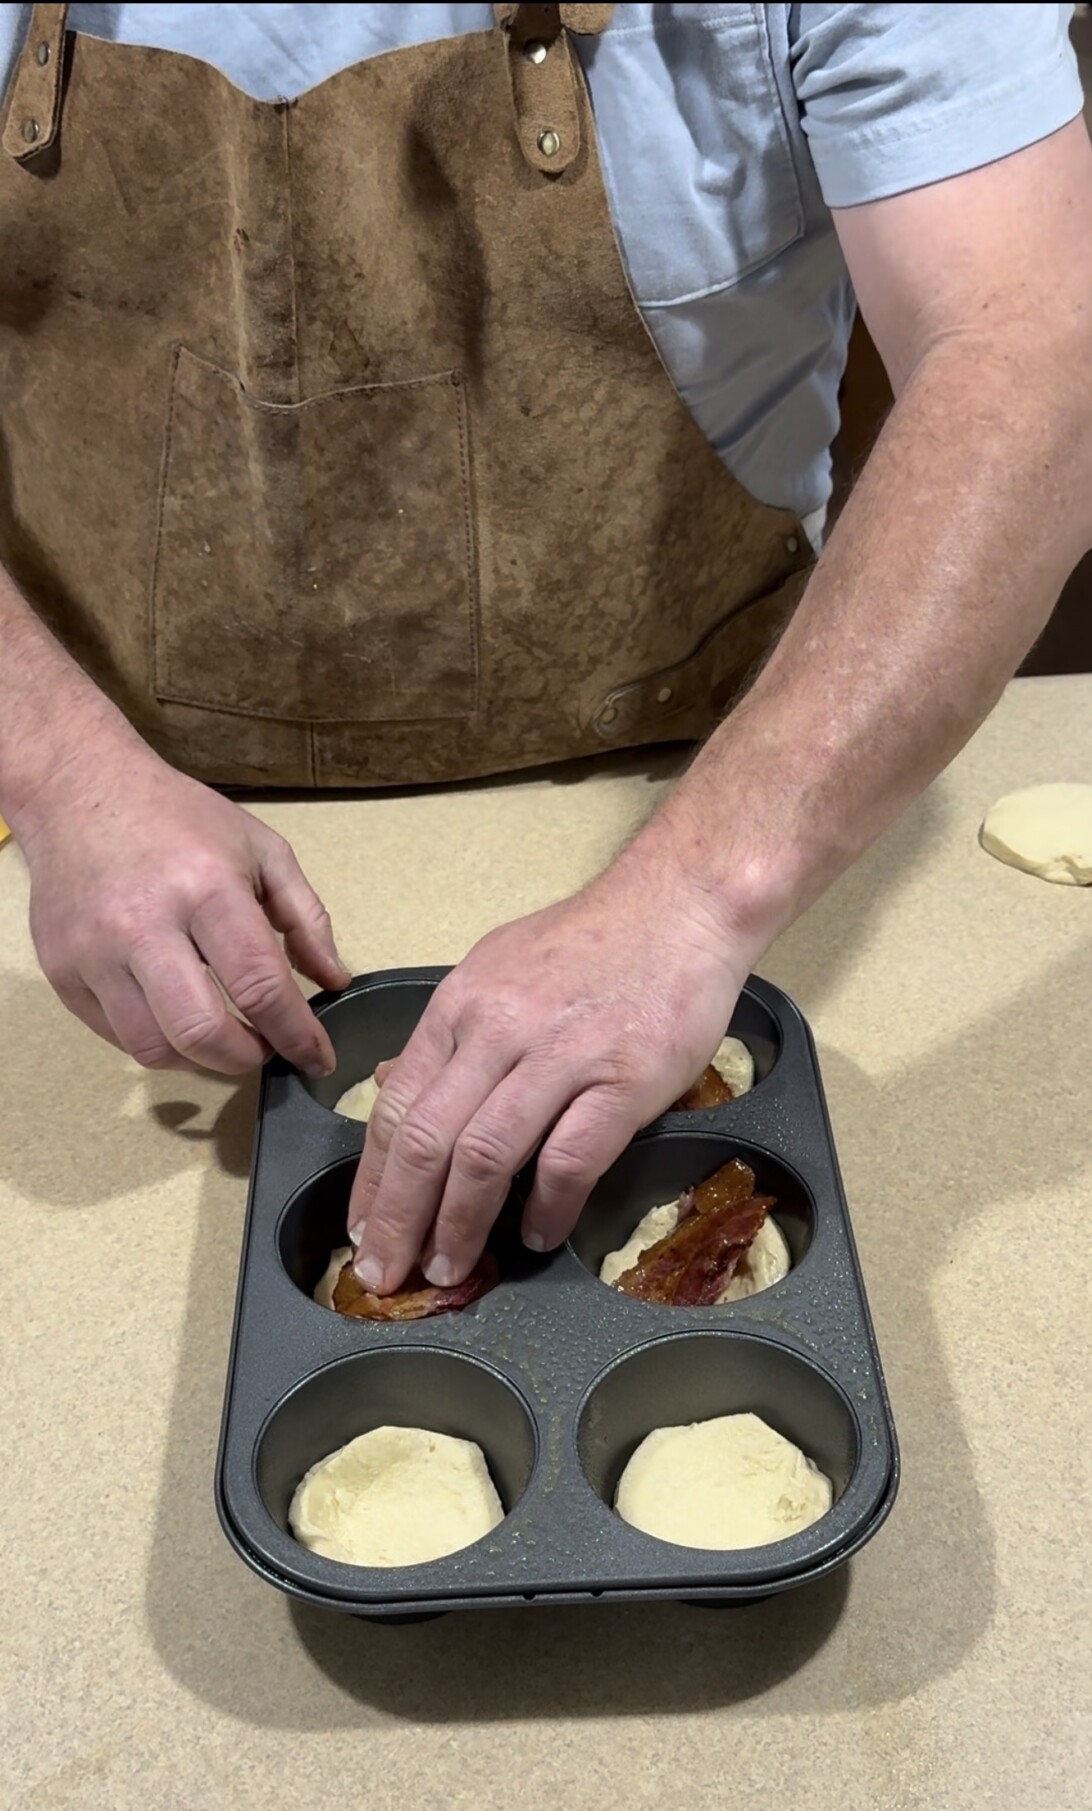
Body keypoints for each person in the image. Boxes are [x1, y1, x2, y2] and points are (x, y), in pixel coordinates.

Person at [1, 4, 1089, 1301]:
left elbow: (1035, 348)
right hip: (124, 856)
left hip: (721, 794)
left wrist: (697, 895)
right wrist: (55, 765)